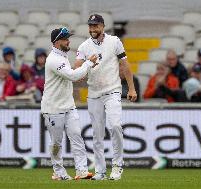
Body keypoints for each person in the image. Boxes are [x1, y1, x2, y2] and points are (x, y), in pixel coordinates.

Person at [75, 14, 137, 180]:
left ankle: (117, 166)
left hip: (112, 90)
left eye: (95, 26)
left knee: (115, 125)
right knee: (97, 134)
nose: (92, 29)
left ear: (102, 26)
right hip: (94, 93)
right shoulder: (84, 47)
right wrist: (87, 63)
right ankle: (100, 171)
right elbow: (77, 73)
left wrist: (131, 88)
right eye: (90, 26)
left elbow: (125, 65)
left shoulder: (114, 41)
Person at [41, 27, 98, 180]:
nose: (68, 41)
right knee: (56, 143)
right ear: (57, 42)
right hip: (53, 108)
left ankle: (82, 171)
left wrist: (74, 75)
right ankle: (58, 172)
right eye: (65, 39)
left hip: (68, 105)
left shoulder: (63, 56)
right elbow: (71, 75)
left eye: (68, 38)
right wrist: (87, 64)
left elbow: (68, 76)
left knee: (77, 137)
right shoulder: (53, 59)